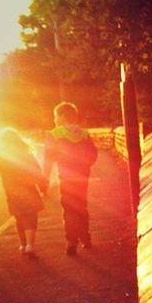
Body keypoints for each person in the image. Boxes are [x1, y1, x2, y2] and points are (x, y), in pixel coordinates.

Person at [43, 102, 98, 256]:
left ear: (62, 116)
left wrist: (45, 179)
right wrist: (85, 166)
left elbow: (48, 159)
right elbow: (93, 154)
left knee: (69, 208)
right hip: (82, 176)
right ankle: (85, 237)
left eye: (55, 116)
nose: (54, 119)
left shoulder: (54, 134)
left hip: (66, 177)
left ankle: (71, 241)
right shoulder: (83, 134)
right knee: (81, 205)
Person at [0, 128, 45, 256]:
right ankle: (30, 245)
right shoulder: (27, 155)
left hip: (12, 193)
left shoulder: (2, 158)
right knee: (31, 217)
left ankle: (23, 245)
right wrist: (43, 186)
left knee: (19, 218)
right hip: (29, 190)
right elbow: (37, 171)